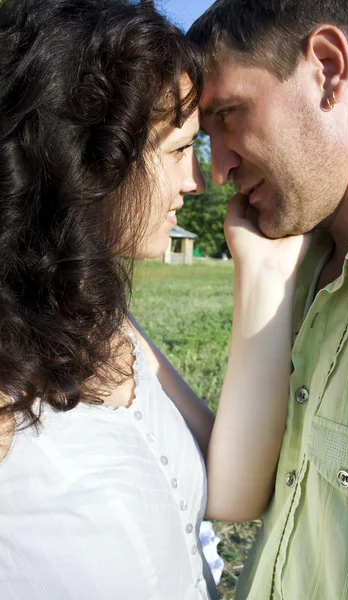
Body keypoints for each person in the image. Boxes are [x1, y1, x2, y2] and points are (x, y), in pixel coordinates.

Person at [0, 0, 308, 598]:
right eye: (176, 151)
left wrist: (262, 273)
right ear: (86, 160)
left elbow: (233, 489)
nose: (198, 180)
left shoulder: (105, 321)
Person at [188, 0, 348, 599]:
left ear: (328, 71)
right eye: (205, 138)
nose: (218, 168)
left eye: (229, 113)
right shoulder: (295, 265)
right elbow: (233, 494)